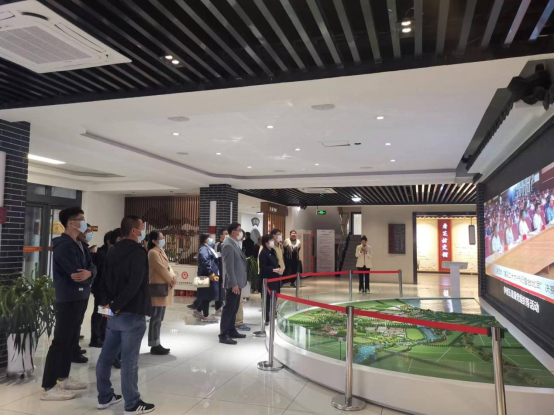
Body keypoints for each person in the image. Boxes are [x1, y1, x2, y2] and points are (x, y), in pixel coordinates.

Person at [96, 216, 155, 415]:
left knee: (106, 357)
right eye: (142, 227)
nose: (143, 230)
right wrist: (116, 305)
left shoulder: (112, 250)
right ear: (134, 231)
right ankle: (132, 404)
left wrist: (109, 306)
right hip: (131, 312)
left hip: (113, 313)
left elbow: (103, 281)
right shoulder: (138, 252)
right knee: (130, 360)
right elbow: (135, 284)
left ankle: (104, 396)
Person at [41, 207, 96, 402]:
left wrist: (90, 274)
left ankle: (63, 378)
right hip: (68, 298)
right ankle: (48, 386)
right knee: (61, 341)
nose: (84, 223)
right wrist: (88, 275)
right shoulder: (63, 245)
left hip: (80, 296)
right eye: (81, 219)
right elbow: (76, 273)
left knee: (71, 339)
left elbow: (91, 266)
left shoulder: (79, 243)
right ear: (71, 223)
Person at [148, 230, 177, 355]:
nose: (163, 239)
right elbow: (161, 269)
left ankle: (157, 342)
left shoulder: (160, 251)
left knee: (159, 318)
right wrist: (171, 279)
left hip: (163, 287)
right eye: (161, 238)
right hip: (157, 288)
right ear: (154, 240)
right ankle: (154, 345)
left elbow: (168, 267)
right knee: (156, 318)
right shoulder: (153, 253)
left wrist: (173, 276)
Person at [219, 223, 248, 345]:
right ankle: (223, 334)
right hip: (233, 283)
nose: (240, 232)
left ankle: (231, 330)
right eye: (239, 230)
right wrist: (234, 284)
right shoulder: (228, 245)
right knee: (229, 308)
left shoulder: (234, 243)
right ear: (233, 232)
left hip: (238, 282)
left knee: (235, 307)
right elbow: (229, 268)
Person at [90, 231, 112, 349]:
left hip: (106, 289)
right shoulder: (102, 254)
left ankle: (103, 336)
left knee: (105, 312)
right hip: (100, 288)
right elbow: (101, 273)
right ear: (109, 241)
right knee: (99, 313)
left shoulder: (108, 252)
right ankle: (95, 338)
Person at [194, 234, 221, 324]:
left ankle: (198, 310)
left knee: (207, 295)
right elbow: (205, 261)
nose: (211, 239)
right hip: (206, 276)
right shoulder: (204, 249)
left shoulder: (209, 248)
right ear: (205, 239)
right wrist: (211, 272)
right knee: (206, 296)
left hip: (208, 275)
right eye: (210, 238)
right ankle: (205, 315)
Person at [259, 234, 284, 324]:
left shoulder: (273, 251)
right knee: (267, 299)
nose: (273, 242)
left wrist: (279, 268)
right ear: (266, 242)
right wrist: (273, 269)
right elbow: (263, 267)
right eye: (271, 240)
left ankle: (272, 314)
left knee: (274, 298)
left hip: (275, 278)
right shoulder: (263, 253)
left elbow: (276, 262)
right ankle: (266, 318)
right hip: (268, 279)